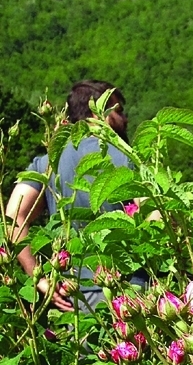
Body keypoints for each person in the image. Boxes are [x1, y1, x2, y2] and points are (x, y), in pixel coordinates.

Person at [4, 79, 134, 312]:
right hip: (130, 289)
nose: (125, 120)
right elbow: (155, 217)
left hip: (74, 294)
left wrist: (39, 277)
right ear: (100, 111)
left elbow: (13, 215)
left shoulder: (48, 162)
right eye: (119, 111)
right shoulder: (130, 158)